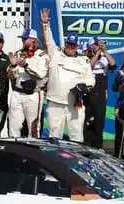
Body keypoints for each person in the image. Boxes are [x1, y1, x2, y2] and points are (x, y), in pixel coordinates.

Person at [39, 8, 95, 142]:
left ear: (77, 46)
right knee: (54, 136)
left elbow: (91, 79)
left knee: (76, 137)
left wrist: (85, 86)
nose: (71, 47)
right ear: (65, 44)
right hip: (55, 102)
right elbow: (48, 40)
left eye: (73, 45)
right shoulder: (55, 54)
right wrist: (45, 24)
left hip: (74, 105)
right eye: (69, 44)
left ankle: (77, 162)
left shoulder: (83, 60)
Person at [6, 29, 49, 139]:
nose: (23, 41)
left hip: (33, 94)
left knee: (33, 127)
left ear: (33, 40)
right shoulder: (18, 53)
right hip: (17, 93)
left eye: (25, 39)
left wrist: (26, 66)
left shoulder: (42, 55)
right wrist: (13, 66)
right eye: (23, 39)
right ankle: (13, 151)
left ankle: (33, 152)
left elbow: (40, 75)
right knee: (14, 125)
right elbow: (10, 76)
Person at [83, 38, 117, 149]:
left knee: (99, 119)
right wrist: (98, 53)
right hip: (88, 91)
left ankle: (98, 146)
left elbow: (113, 65)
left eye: (99, 45)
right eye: (96, 45)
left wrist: (105, 52)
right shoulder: (84, 57)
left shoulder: (104, 58)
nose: (98, 46)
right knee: (87, 119)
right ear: (91, 46)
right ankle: (86, 144)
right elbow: (89, 66)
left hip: (101, 91)